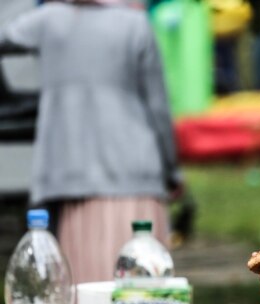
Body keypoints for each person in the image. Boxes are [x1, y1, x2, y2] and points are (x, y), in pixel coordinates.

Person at [0, 0, 181, 284]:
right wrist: (171, 170)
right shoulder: (136, 25)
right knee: (146, 294)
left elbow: (6, 38)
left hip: (74, 180)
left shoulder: (48, 20)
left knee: (86, 291)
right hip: (136, 178)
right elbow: (157, 108)